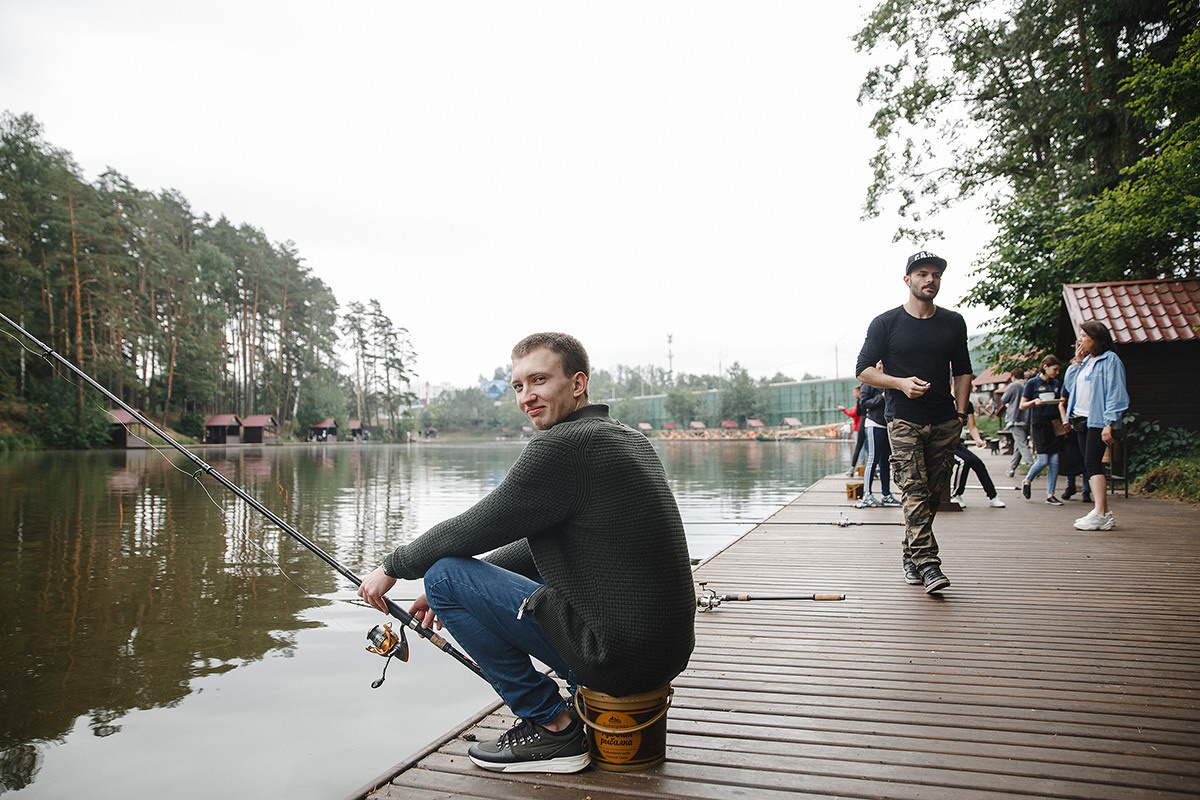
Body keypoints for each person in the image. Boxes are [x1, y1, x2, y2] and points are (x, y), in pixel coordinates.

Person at [357, 332, 696, 773]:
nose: (526, 396)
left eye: (538, 380)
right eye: (518, 386)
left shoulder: (563, 446)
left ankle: (552, 726)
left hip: (616, 657)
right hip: (663, 654)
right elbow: (541, 542)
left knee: (441, 575)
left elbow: (476, 525)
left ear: (578, 384)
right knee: (450, 582)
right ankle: (565, 706)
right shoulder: (623, 438)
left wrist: (394, 567)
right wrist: (472, 586)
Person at [856, 251, 973, 594]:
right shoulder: (886, 323)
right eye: (922, 274)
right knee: (913, 488)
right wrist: (900, 383)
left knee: (934, 492)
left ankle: (910, 553)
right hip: (904, 418)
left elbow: (963, 371)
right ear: (908, 280)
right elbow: (863, 369)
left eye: (935, 275)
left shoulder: (953, 322)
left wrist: (961, 415)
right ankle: (927, 563)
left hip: (944, 419)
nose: (930, 280)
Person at [1064, 321, 1130, 531]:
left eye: (1084, 336)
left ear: (1097, 338)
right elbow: (1070, 387)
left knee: (1093, 464)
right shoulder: (1087, 362)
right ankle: (1104, 513)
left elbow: (1116, 393)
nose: (1080, 340)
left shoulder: (1110, 360)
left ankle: (1099, 513)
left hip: (1097, 420)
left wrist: (1108, 422)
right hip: (1081, 419)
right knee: (1089, 464)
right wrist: (1078, 361)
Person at [1019, 355, 1067, 505]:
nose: (1057, 372)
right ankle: (1027, 480)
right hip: (1039, 423)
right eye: (1055, 369)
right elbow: (1022, 405)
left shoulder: (1056, 383)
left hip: (1054, 422)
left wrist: (1064, 420)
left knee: (1055, 460)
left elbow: (1060, 403)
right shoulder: (1032, 383)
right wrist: (1034, 402)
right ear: (1045, 367)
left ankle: (1050, 494)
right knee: (1043, 460)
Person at [950, 401, 1006, 508]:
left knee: (977, 463)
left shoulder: (968, 404)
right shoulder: (947, 402)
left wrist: (978, 440)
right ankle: (956, 495)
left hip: (957, 443)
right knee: (964, 461)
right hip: (944, 443)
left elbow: (972, 427)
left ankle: (993, 497)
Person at [854, 377, 900, 508]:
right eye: (879, 363)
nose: (881, 365)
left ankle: (886, 495)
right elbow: (863, 403)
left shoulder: (889, 380)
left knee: (886, 461)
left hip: (887, 425)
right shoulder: (868, 382)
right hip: (874, 424)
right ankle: (866, 495)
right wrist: (882, 396)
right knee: (872, 459)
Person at [1058, 347, 1089, 504]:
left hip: (1085, 419)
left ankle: (1086, 490)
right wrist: (1065, 420)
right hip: (1071, 420)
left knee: (1085, 456)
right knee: (1070, 456)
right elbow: (1061, 404)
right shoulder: (1068, 382)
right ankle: (1070, 486)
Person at [1000, 370, 1032, 477]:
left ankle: (1032, 466)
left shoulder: (1013, 386)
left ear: (1013, 377)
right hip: (1027, 418)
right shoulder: (1028, 384)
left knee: (1022, 444)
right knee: (1019, 445)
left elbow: (1004, 399)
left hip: (1015, 418)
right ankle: (1012, 468)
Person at [840, 385, 865, 476]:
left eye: (854, 393)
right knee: (866, 449)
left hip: (859, 428)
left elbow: (854, 413)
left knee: (860, 448)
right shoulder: (862, 401)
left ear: (859, 392)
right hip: (863, 427)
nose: (853, 395)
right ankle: (864, 468)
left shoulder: (860, 401)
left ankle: (860, 468)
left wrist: (844, 409)